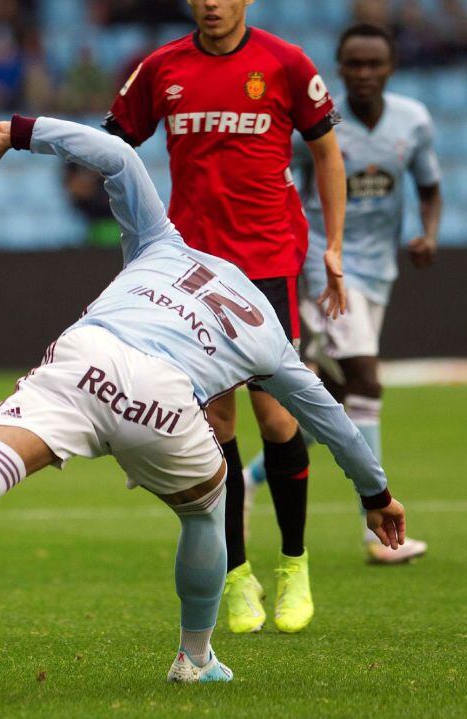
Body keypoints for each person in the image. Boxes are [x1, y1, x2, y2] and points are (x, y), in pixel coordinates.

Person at [0, 115, 408, 684]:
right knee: (205, 514)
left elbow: (114, 154)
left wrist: (21, 132)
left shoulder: (165, 243)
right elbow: (330, 419)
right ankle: (195, 658)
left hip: (86, 357)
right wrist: (376, 494)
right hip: (162, 403)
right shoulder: (269, 332)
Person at [102, 0, 348, 635]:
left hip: (267, 261)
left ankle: (294, 563)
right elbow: (115, 148)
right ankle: (238, 575)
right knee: (215, 420)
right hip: (195, 271)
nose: (212, 2)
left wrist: (334, 244)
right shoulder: (160, 69)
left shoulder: (285, 64)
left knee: (277, 414)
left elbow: (327, 153)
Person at [243, 24, 438, 565]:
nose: (365, 74)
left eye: (375, 64)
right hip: (326, 269)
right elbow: (282, 181)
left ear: (392, 66)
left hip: (380, 272)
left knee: (325, 405)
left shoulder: (414, 120)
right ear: (341, 67)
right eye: (354, 64)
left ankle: (248, 478)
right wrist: (308, 256)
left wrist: (427, 232)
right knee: (366, 383)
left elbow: (429, 187)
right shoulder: (317, 121)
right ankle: (380, 535)